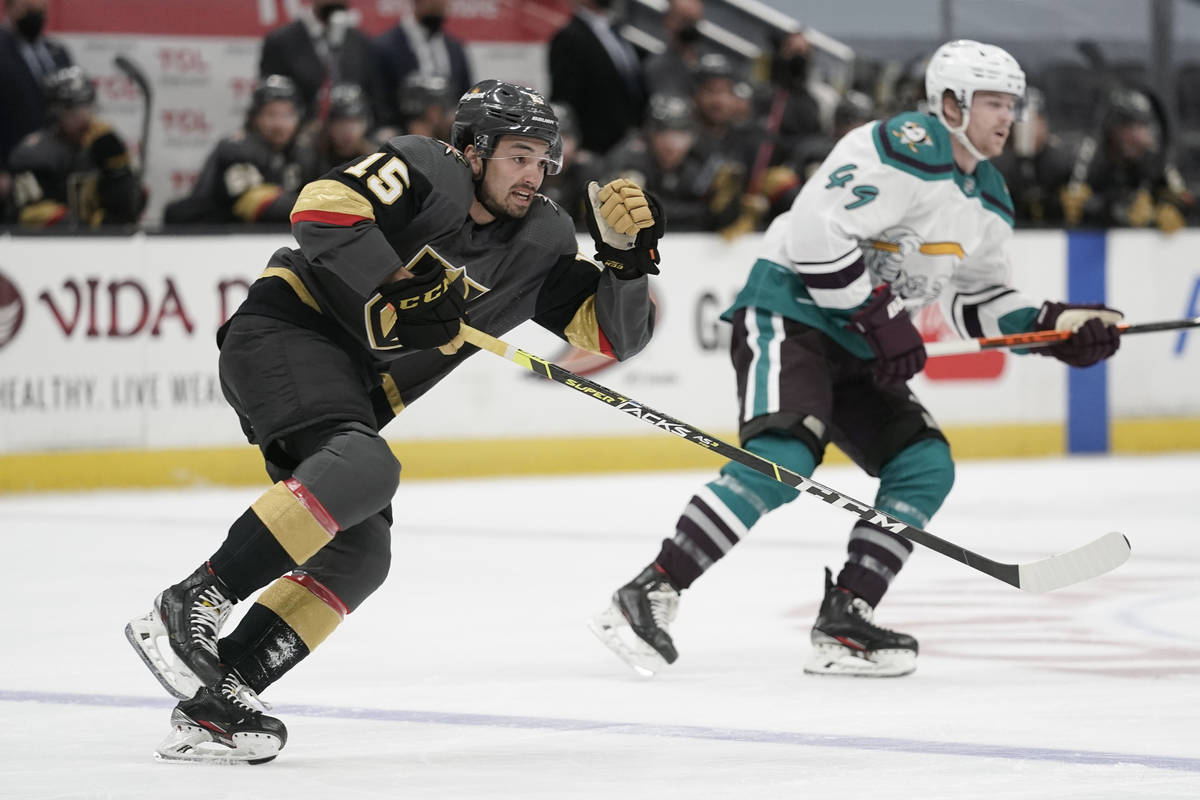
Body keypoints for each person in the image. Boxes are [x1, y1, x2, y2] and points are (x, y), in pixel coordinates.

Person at [125, 79, 664, 763]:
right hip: (286, 332)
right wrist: (396, 284)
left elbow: (611, 338)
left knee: (360, 556)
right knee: (368, 467)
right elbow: (322, 206)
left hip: (349, 387)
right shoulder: (425, 167)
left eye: (541, 160)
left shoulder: (542, 238)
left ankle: (215, 701)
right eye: (517, 156)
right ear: (472, 150)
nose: (533, 175)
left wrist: (626, 263)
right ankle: (192, 602)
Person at [588, 39, 1124, 679]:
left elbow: (972, 302)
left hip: (861, 339)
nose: (1007, 117)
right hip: (790, 312)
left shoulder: (989, 197)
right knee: (783, 457)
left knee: (924, 464)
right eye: (992, 103)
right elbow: (816, 236)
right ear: (950, 103)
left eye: (1012, 104)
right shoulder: (900, 147)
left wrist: (1054, 327)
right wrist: (879, 317)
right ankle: (650, 589)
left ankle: (846, 617)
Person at [162, 75, 318, 225]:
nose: (279, 124)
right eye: (271, 115)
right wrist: (321, 208)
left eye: (287, 115)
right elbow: (256, 206)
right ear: (254, 118)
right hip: (210, 240)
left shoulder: (300, 154)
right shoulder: (236, 151)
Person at [8, 66, 142, 228]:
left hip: (99, 244)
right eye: (75, 110)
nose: (85, 117)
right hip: (49, 246)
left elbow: (126, 207)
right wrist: (83, 228)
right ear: (56, 112)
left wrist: (117, 169)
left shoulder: (103, 143)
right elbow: (30, 212)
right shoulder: (34, 153)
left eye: (88, 106)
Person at [601, 92, 744, 233]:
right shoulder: (630, 158)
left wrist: (730, 208)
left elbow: (717, 216)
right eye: (664, 132)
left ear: (693, 136)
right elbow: (632, 215)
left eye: (681, 133)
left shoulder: (703, 159)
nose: (672, 143)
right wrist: (701, 212)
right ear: (650, 134)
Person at [259, 0, 386, 128]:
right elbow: (268, 99)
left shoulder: (361, 43)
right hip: (299, 137)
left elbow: (375, 100)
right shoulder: (280, 43)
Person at [0, 0, 73, 216]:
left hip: (56, 168)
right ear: (10, 7)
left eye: (42, 9)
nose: (37, 14)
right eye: (29, 8)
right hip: (12, 167)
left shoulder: (57, 52)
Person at [548, 0, 647, 157]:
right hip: (593, 150)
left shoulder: (617, 31)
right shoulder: (569, 36)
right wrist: (577, 147)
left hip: (627, 143)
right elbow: (565, 98)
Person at [375, 0, 473, 131]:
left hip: (448, 137)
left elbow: (466, 95)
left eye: (443, 5)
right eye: (434, 5)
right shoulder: (384, 48)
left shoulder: (455, 48)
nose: (439, 7)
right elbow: (379, 100)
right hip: (402, 137)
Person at [643, 0, 709, 98]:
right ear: (668, 21)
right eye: (685, 20)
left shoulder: (707, 61)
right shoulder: (657, 67)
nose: (691, 28)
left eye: (694, 22)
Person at [306, 82, 375, 175]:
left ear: (365, 123)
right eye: (340, 122)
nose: (347, 130)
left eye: (354, 122)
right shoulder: (310, 159)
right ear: (328, 126)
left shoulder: (376, 159)